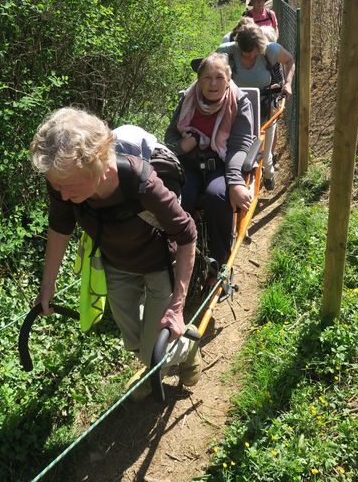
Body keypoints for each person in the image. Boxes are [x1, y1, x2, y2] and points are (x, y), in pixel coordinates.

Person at [30, 107, 201, 400]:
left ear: (98, 164)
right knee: (131, 340)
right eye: (57, 186)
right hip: (116, 265)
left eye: (69, 186)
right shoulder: (62, 181)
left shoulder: (141, 182)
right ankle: (152, 361)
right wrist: (47, 286)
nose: (63, 195)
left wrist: (177, 306)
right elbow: (60, 227)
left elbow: (187, 235)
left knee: (151, 352)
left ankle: (183, 349)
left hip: (159, 265)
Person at [165, 53, 254, 268]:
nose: (213, 83)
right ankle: (173, 258)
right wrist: (182, 146)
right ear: (198, 79)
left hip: (221, 166)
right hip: (190, 164)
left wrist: (235, 182)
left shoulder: (240, 101)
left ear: (228, 79)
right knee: (176, 199)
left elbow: (239, 146)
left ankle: (219, 264)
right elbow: (170, 137)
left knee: (218, 197)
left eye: (219, 77)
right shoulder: (188, 98)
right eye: (206, 77)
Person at [216, 23, 295, 190]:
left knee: (265, 145)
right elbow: (211, 70)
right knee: (238, 143)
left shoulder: (270, 50)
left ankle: (268, 171)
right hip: (236, 105)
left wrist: (287, 83)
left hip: (265, 104)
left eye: (255, 53)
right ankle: (237, 176)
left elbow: (289, 60)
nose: (252, 56)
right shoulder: (227, 51)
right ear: (239, 47)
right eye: (246, 54)